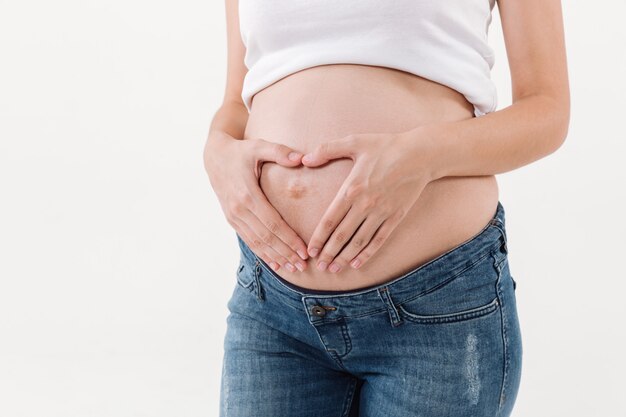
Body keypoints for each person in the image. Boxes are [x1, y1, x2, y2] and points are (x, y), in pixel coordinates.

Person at [204, 0, 570, 415]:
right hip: (273, 309)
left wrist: (422, 155)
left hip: (437, 309)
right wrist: (217, 148)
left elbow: (547, 110)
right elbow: (238, 98)